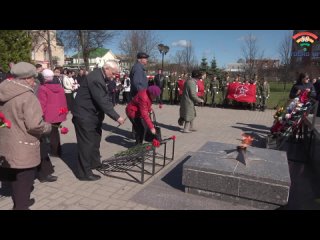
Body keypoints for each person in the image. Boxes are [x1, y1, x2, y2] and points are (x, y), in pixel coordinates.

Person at [0, 62, 52, 210]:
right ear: (28, 78)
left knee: (15, 180)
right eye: (33, 78)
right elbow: (35, 125)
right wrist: (47, 127)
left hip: (5, 145)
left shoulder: (3, 90)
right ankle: (21, 205)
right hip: (23, 147)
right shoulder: (27, 97)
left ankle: (20, 202)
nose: (35, 82)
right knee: (23, 181)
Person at [72, 60, 125, 181]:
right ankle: (84, 172)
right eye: (113, 73)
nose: (114, 76)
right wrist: (117, 117)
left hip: (93, 116)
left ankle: (95, 163)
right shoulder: (96, 78)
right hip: (84, 116)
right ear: (106, 69)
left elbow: (104, 98)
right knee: (86, 145)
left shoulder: (101, 76)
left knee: (95, 140)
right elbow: (102, 100)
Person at [38, 68, 68, 159]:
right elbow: (64, 101)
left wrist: (40, 114)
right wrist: (64, 112)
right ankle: (57, 150)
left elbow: (42, 103)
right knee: (55, 132)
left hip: (49, 114)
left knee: (52, 134)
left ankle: (55, 151)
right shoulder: (60, 87)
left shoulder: (43, 88)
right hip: (60, 113)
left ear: (44, 78)